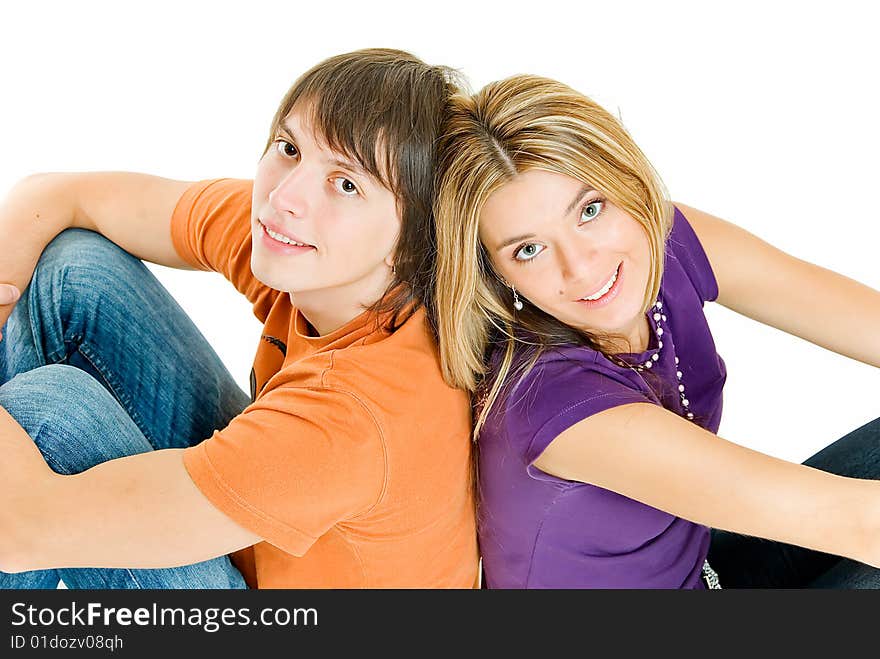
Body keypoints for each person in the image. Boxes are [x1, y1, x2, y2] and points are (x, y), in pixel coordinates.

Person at [0, 48, 479, 589]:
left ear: (415, 242)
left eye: (347, 184)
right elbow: (54, 195)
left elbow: (20, 530)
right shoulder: (320, 251)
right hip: (266, 522)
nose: (283, 196)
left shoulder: (358, 414)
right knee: (76, 269)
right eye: (290, 148)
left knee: (48, 413)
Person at [431, 73, 880, 588]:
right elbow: (862, 526)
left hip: (707, 574)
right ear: (493, 270)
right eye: (528, 249)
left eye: (590, 210)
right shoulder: (548, 399)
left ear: (629, 182)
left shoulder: (661, 243)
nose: (581, 268)